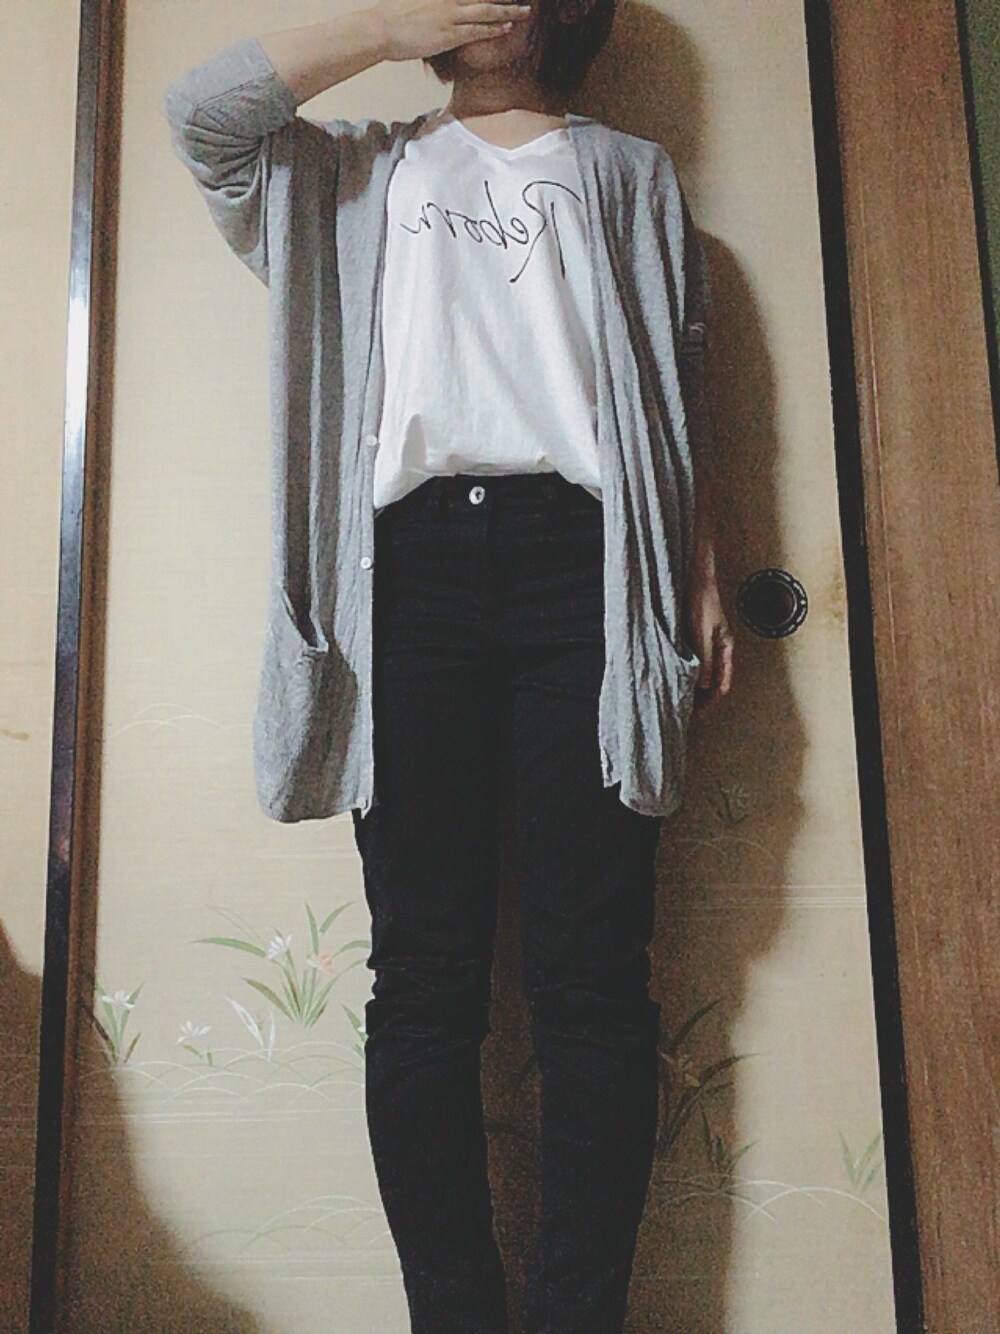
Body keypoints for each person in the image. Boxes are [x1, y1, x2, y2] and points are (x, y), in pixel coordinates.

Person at [165, 3, 734, 1329]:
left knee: (593, 979)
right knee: (422, 980)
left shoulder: (630, 174)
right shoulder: (353, 171)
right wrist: (383, 27)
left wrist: (701, 565)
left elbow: (676, 389)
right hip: (406, 579)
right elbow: (202, 116)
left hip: (588, 569)